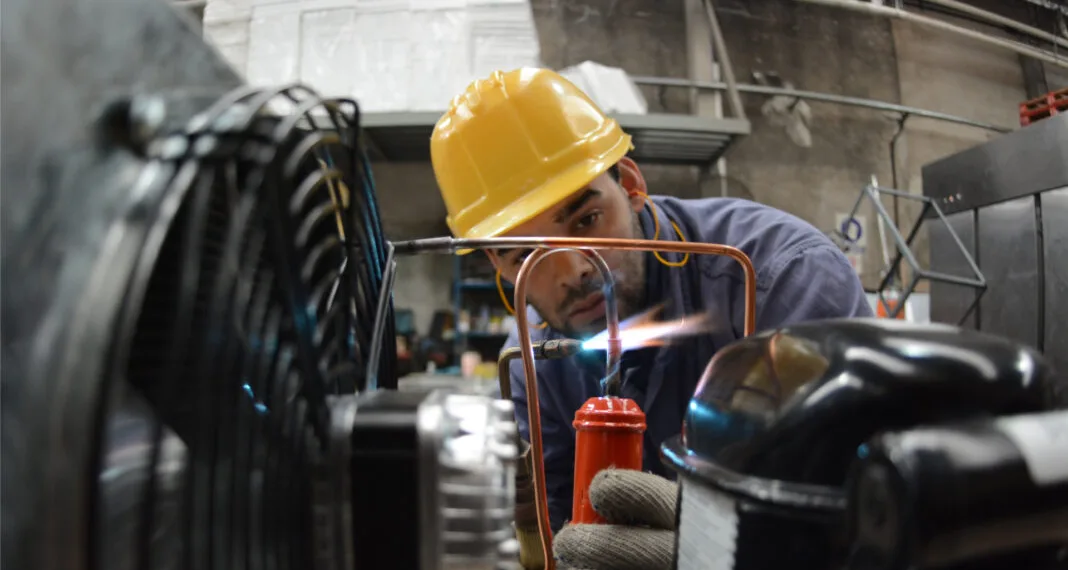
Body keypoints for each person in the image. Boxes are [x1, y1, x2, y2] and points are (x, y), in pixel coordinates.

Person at [430, 67, 874, 569]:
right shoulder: (530, 360)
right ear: (497, 263)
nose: (574, 271)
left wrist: (721, 545)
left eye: (586, 220)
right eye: (526, 254)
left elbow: (866, 518)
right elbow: (551, 533)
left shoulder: (785, 279)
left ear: (631, 185)